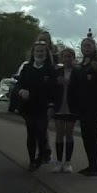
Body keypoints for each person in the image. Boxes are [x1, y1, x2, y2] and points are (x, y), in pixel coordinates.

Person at [14, 40, 56, 170]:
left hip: (43, 107)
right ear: (33, 53)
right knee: (31, 133)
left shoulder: (50, 69)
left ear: (46, 53)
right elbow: (18, 85)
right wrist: (21, 91)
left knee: (41, 133)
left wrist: (51, 105)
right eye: (37, 51)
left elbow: (54, 89)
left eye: (42, 51)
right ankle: (32, 160)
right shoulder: (27, 68)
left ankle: (41, 155)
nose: (39, 53)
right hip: (29, 106)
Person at [71, 35, 97, 176]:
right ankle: (90, 165)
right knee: (86, 135)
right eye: (84, 46)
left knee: (92, 135)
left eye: (89, 46)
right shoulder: (82, 65)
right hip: (83, 105)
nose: (86, 48)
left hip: (94, 106)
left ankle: (95, 167)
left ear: (94, 47)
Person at [28, 30, 56, 163]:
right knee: (39, 129)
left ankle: (44, 151)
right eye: (40, 39)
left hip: (47, 98)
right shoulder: (34, 56)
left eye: (45, 40)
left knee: (43, 128)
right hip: (34, 100)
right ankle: (43, 151)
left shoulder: (53, 57)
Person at [51, 46, 78, 172]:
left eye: (69, 56)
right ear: (61, 58)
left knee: (69, 133)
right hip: (59, 105)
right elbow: (52, 89)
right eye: (64, 56)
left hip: (72, 106)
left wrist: (68, 83)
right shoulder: (57, 72)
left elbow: (81, 89)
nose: (67, 59)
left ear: (73, 58)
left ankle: (68, 162)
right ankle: (58, 162)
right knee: (59, 134)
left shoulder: (77, 72)